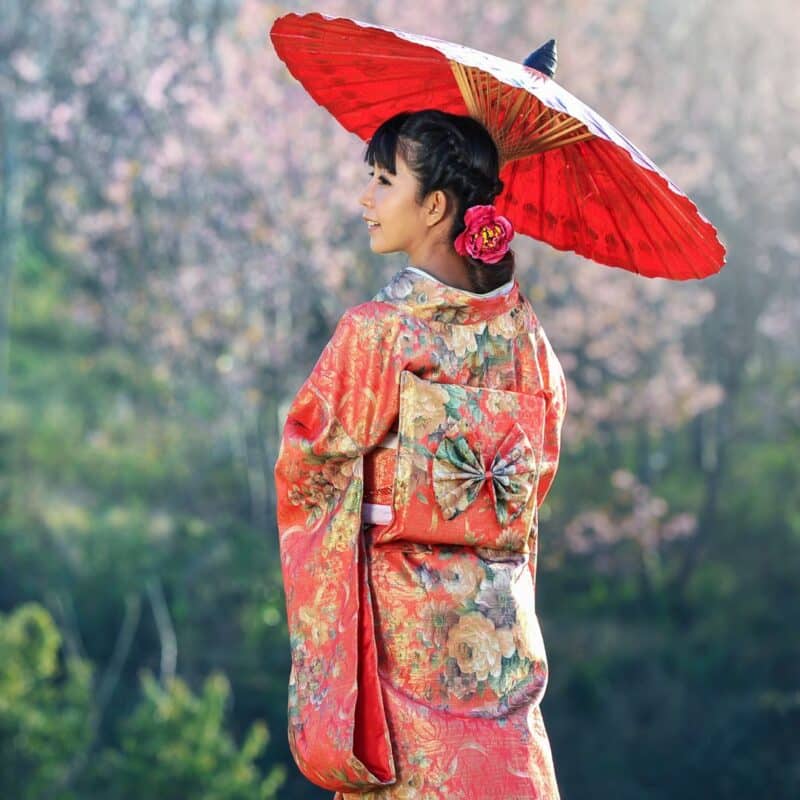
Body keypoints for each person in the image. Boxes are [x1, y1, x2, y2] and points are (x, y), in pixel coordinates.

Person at [274, 108, 568, 799]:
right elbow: (533, 482)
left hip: (404, 633)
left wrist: (375, 503)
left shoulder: (379, 335)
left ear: (435, 205)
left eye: (382, 181)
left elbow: (308, 467)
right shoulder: (527, 343)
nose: (365, 200)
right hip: (497, 633)